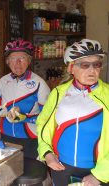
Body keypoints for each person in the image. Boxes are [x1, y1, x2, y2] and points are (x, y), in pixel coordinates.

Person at [37, 39, 109, 185]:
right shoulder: (58, 93)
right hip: (61, 167)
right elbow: (43, 124)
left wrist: (100, 175)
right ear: (71, 68)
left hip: (97, 171)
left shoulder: (107, 95)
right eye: (85, 65)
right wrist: (47, 153)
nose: (92, 70)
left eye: (96, 64)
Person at [0, 39, 50, 159]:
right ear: (8, 61)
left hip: (30, 138)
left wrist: (25, 118)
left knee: (30, 174)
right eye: (13, 58)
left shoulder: (39, 83)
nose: (17, 63)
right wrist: (2, 111)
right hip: (6, 135)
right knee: (10, 173)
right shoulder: (3, 81)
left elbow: (48, 117)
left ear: (28, 61)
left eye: (22, 58)